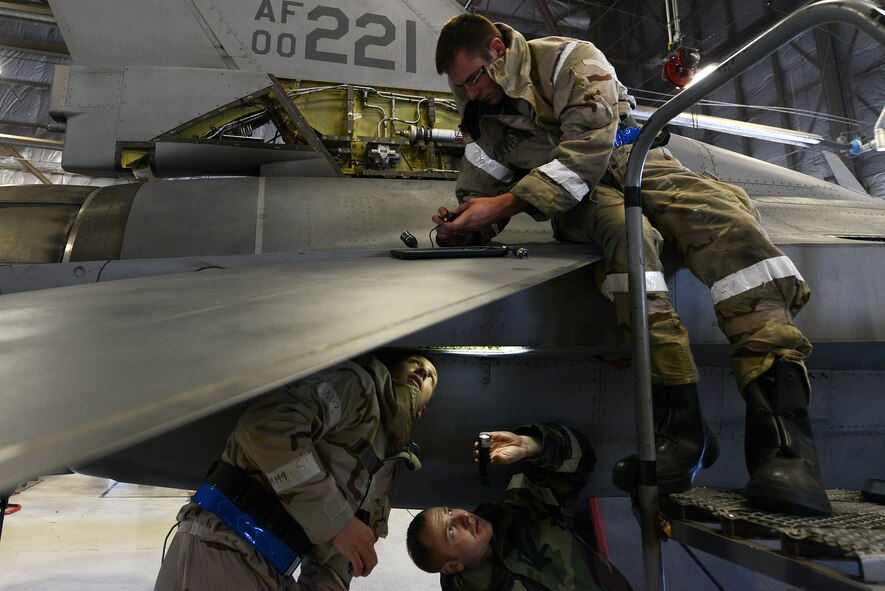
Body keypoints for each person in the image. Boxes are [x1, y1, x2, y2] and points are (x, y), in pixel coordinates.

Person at [432, 14, 831, 515]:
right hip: (581, 201)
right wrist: (465, 221)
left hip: (636, 161)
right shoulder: (479, 109)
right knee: (629, 240)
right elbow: (481, 186)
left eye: (474, 80)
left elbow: (587, 149)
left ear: (497, 50)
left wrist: (506, 205)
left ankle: (785, 447)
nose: (470, 95)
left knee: (729, 227)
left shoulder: (568, 60)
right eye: (460, 86)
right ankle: (681, 429)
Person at [154, 351, 439, 591]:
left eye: (431, 377)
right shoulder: (357, 386)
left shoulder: (387, 467)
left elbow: (336, 561)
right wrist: (338, 520)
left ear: (423, 410)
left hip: (261, 570)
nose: (423, 372)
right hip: (227, 546)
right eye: (416, 363)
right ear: (392, 368)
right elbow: (268, 426)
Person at [406, 423, 633, 590]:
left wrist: (531, 446)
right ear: (452, 567)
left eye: (450, 511)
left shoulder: (517, 510)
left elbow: (582, 462)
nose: (463, 517)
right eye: (450, 531)